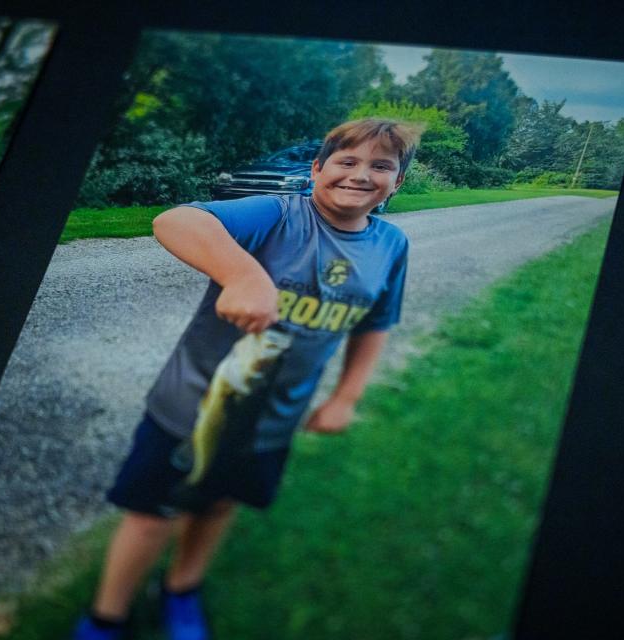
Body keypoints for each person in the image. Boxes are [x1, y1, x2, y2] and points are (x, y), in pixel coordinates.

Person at [73, 118, 421, 640]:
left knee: (216, 506)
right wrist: (242, 273)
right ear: (317, 168)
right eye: (346, 161)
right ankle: (107, 617)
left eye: (381, 166)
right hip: (192, 407)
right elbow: (176, 221)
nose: (361, 174)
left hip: (272, 421)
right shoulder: (277, 214)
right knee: (151, 513)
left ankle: (180, 592)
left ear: (396, 183)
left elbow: (375, 324)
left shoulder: (391, 246)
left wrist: (347, 396)